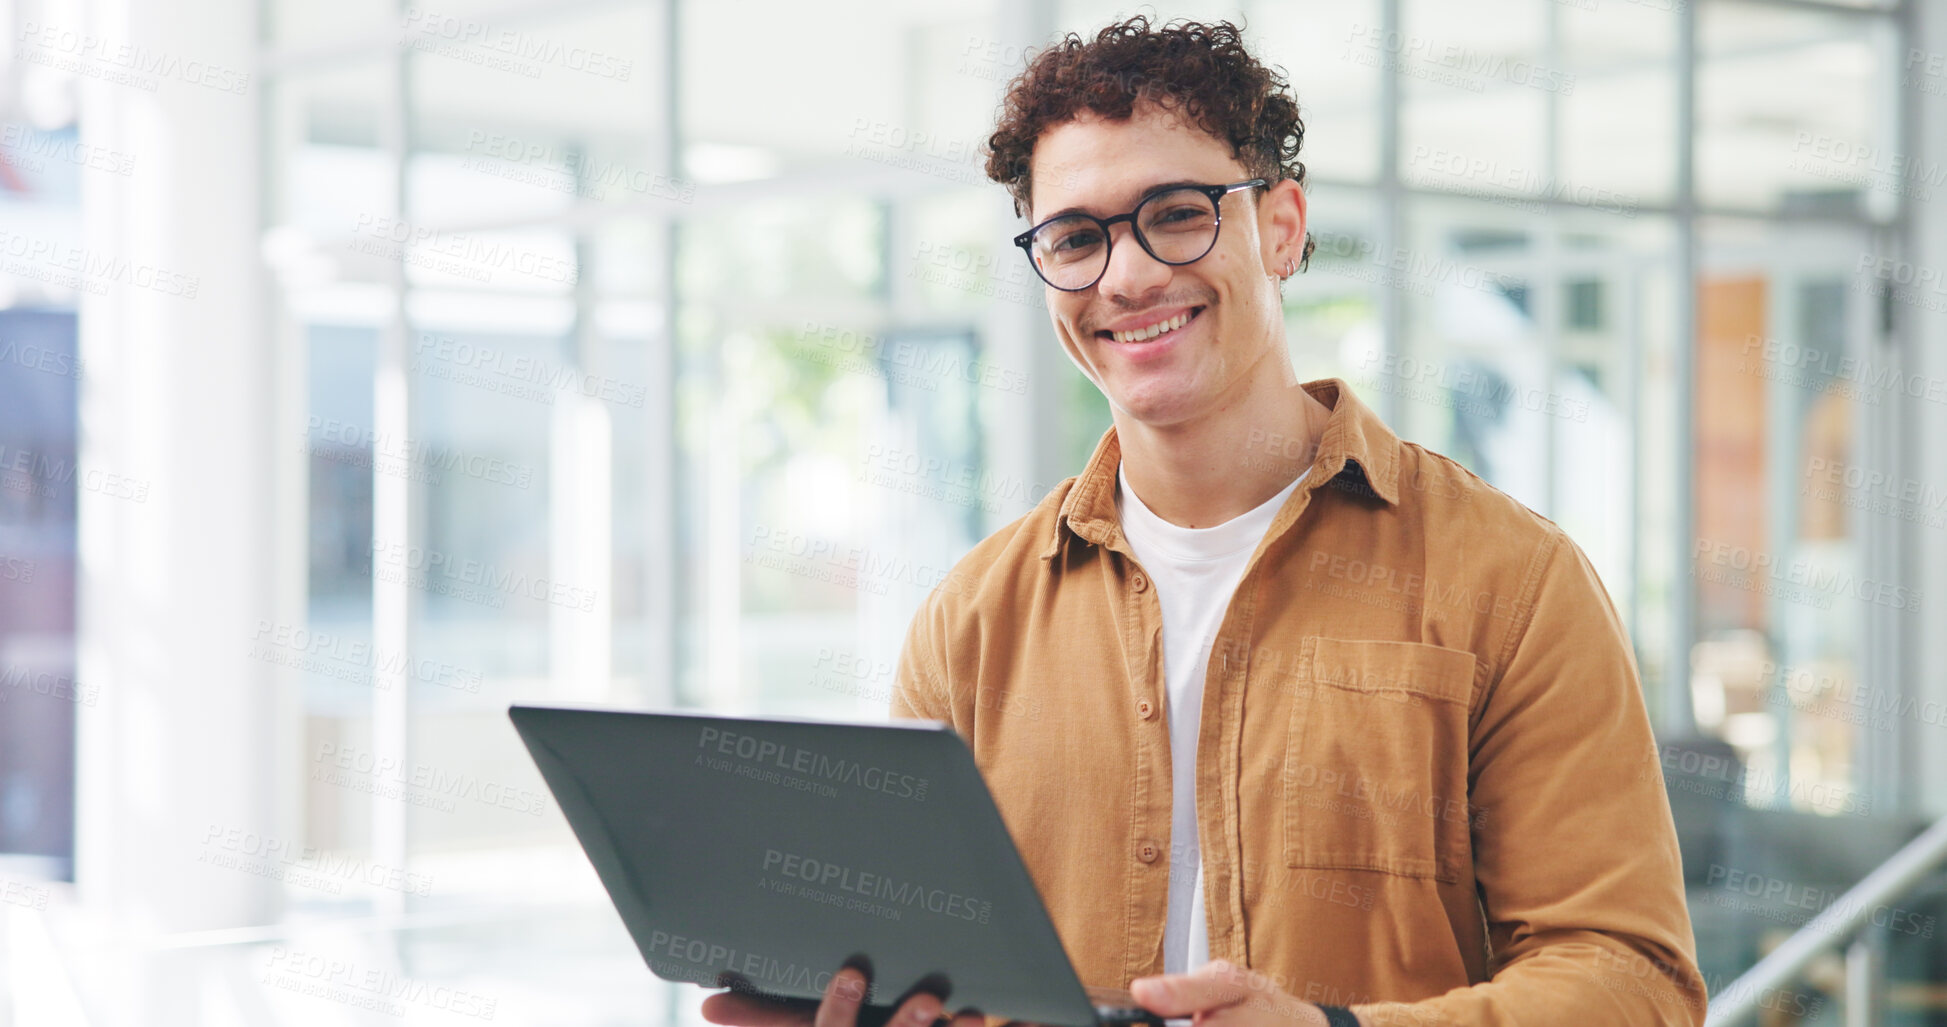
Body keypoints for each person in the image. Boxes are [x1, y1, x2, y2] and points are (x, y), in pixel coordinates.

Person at [705, 16, 1703, 1027]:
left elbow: (1631, 978)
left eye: (1176, 214)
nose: (1127, 277)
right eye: (1076, 238)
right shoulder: (972, 622)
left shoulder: (1513, 582)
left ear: (1280, 225)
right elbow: (947, 971)